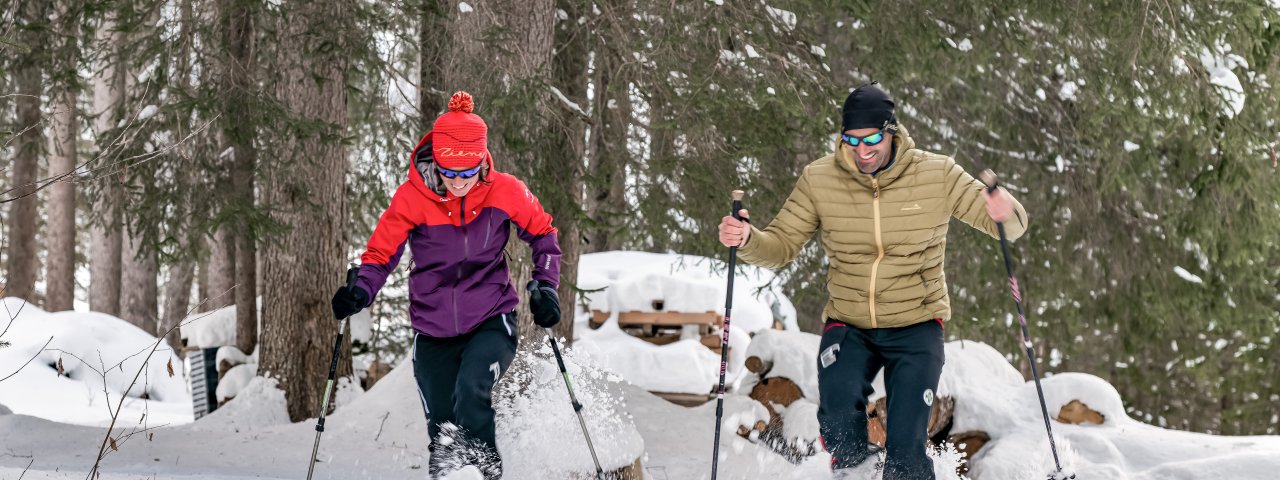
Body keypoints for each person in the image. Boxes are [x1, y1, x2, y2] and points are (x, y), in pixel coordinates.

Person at [717, 83, 1028, 480]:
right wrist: (746, 239)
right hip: (849, 324)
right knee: (837, 412)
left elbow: (1009, 226)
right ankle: (854, 474)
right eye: (851, 141)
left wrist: (1004, 210)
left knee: (907, 445)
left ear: (892, 132)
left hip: (917, 324)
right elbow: (780, 245)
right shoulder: (820, 179)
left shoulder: (937, 173)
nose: (862, 151)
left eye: (872, 140)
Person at [331, 91, 563, 479]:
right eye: (449, 173)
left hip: (491, 318)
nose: (458, 182)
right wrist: (361, 291)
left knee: (472, 391)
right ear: (435, 163)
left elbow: (544, 235)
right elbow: (380, 254)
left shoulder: (505, 190)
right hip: (432, 327)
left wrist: (547, 286)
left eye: (467, 173)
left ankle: (486, 475)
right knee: (442, 426)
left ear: (482, 165)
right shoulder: (412, 198)